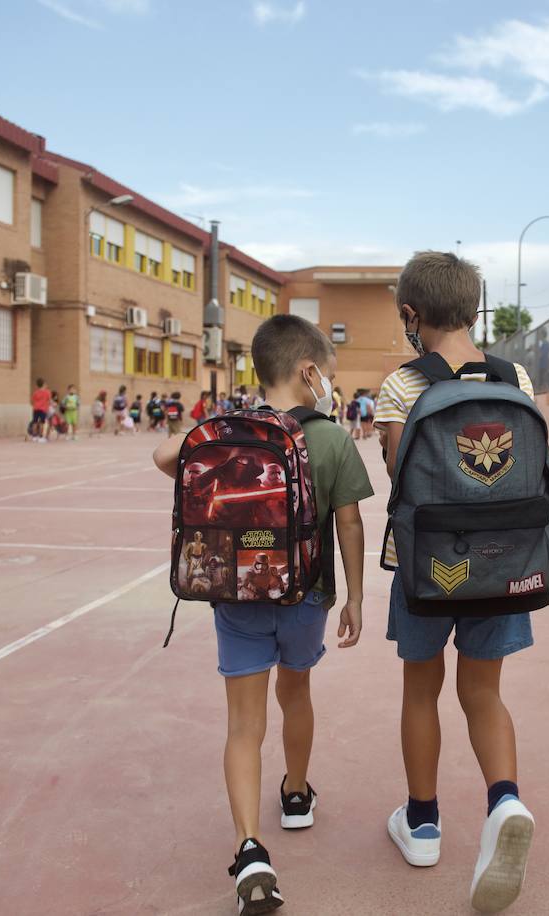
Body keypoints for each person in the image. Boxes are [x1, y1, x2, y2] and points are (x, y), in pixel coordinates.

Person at [152, 314, 373, 914]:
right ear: (309, 372)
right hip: (304, 597)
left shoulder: (229, 429)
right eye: (326, 373)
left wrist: (224, 423)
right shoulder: (327, 437)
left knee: (242, 726)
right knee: (295, 694)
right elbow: (348, 522)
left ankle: (250, 846)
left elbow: (163, 456)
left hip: (236, 594)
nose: (330, 383)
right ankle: (296, 795)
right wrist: (354, 595)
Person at [375, 251, 538, 913]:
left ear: (411, 315)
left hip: (427, 565)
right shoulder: (515, 375)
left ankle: (422, 823)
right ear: (475, 308)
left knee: (422, 689)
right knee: (484, 692)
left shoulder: (400, 386)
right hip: (506, 563)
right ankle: (504, 800)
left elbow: (400, 481)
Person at [30, 378, 52, 443]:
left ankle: (34, 437)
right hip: (43, 409)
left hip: (35, 409)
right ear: (44, 384)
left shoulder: (35, 392)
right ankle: (40, 437)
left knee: (35, 422)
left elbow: (32, 401)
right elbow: (49, 400)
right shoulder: (47, 392)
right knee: (42, 423)